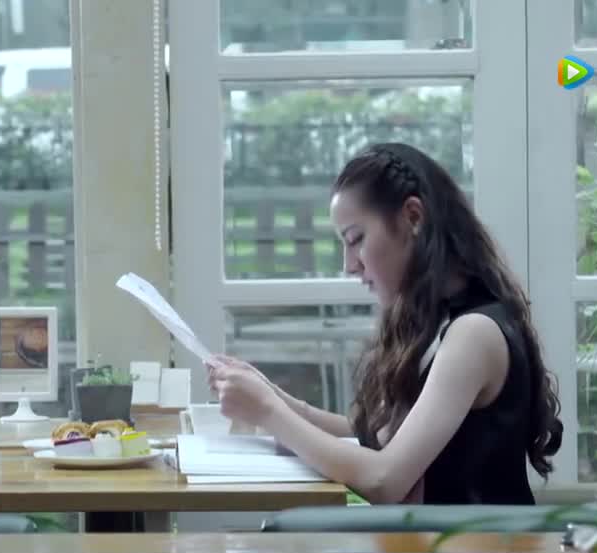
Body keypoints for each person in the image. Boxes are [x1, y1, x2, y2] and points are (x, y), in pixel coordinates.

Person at [207, 142, 562, 505]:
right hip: (440, 539)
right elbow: (376, 437)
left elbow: (385, 480)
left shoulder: (474, 334)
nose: (349, 265)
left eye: (356, 239)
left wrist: (268, 411)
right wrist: (277, 400)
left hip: (479, 542)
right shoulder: (436, 322)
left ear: (413, 217)